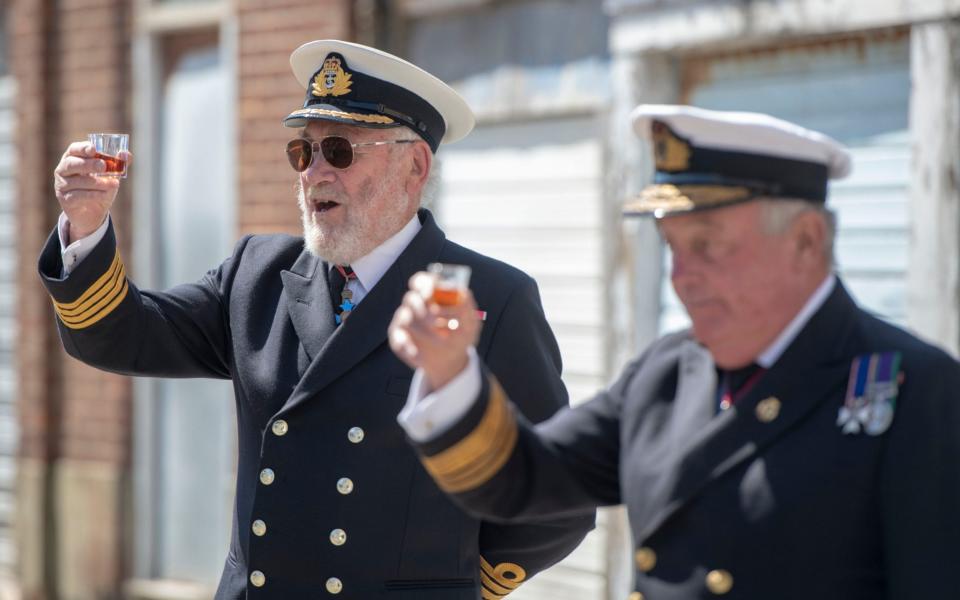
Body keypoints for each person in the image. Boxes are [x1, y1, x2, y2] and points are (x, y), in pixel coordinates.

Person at [41, 39, 593, 599]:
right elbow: (120, 337)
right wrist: (85, 230)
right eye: (303, 153)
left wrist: (448, 584)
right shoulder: (257, 274)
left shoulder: (491, 299)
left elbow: (557, 503)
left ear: (415, 166)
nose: (315, 173)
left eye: (341, 151)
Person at [389, 105, 960, 599]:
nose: (682, 278)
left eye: (708, 246)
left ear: (807, 241)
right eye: (672, 248)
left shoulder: (919, 390)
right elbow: (522, 480)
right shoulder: (669, 371)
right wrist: (450, 369)